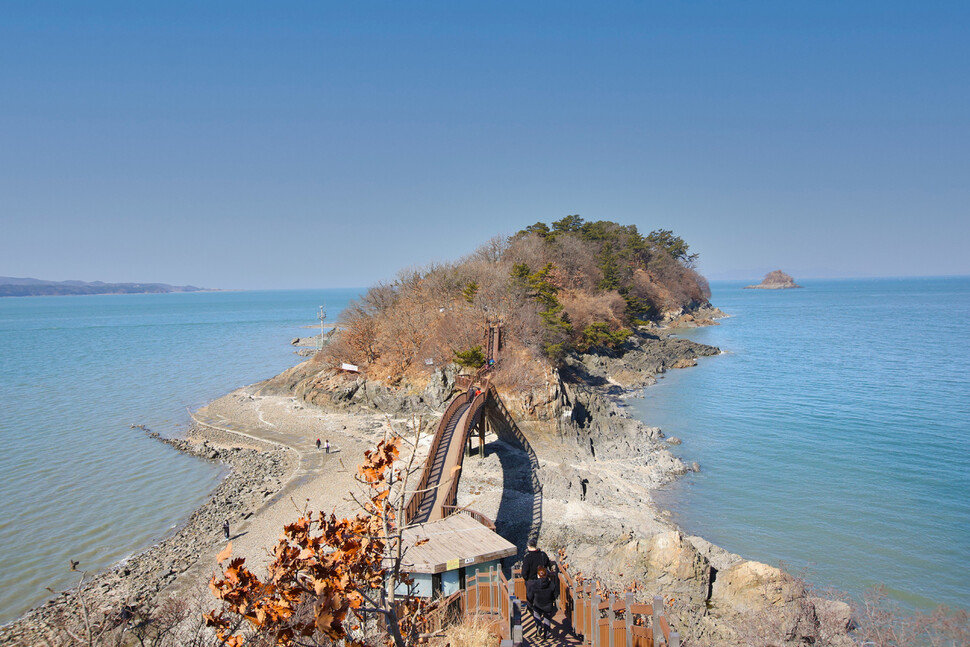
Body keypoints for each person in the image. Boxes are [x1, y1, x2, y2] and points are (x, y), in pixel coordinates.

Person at [526, 566, 558, 640]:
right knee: (547, 618)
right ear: (546, 574)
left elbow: (530, 596)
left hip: (537, 604)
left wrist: (531, 603)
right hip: (548, 605)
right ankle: (547, 633)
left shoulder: (534, 584)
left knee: (536, 615)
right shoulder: (551, 584)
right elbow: (555, 594)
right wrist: (552, 600)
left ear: (538, 575)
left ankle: (539, 625)